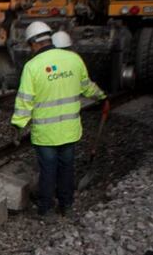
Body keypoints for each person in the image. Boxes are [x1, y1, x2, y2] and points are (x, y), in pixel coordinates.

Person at [11, 21, 107, 220]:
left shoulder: (32, 66)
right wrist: (102, 97)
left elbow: (25, 101)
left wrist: (18, 126)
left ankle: (46, 210)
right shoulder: (73, 59)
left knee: (48, 171)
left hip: (46, 134)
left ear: (34, 43)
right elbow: (87, 86)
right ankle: (67, 206)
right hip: (70, 130)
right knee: (67, 169)